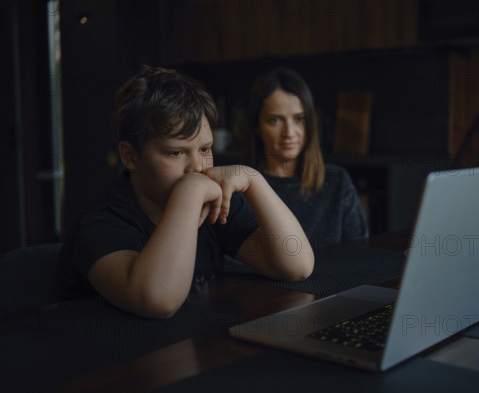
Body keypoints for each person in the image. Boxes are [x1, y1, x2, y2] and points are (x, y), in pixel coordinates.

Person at [56, 65, 314, 319]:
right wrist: (189, 192)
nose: (197, 168)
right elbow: (157, 300)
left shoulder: (214, 207)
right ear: (130, 156)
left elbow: (296, 266)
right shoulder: (101, 225)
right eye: (176, 152)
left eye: (205, 150)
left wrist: (253, 180)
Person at [243, 67, 368, 248]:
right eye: (275, 120)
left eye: (299, 118)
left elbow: (361, 253)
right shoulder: (241, 189)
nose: (289, 132)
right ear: (257, 127)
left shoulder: (337, 181)